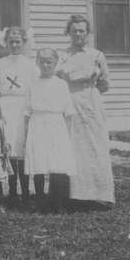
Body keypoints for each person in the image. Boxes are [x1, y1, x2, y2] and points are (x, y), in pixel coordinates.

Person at [56, 14, 115, 208]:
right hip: (69, 101)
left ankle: (99, 194)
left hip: (90, 102)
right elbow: (56, 80)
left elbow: (105, 83)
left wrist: (90, 92)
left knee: (94, 146)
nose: (78, 34)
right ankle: (74, 194)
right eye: (74, 31)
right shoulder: (62, 56)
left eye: (82, 30)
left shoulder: (97, 55)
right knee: (73, 147)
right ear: (68, 33)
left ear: (88, 33)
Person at [0, 26, 37, 205]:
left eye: (18, 42)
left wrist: (30, 111)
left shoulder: (30, 64)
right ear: (5, 43)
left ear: (24, 43)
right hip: (5, 107)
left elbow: (35, 88)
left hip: (23, 107)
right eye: (11, 42)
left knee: (21, 149)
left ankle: (25, 191)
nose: (15, 45)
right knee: (8, 149)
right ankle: (12, 190)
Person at [25, 48, 76, 214]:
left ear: (56, 63)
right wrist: (27, 130)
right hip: (37, 123)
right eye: (42, 62)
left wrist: (67, 134)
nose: (46, 65)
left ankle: (58, 201)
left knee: (57, 163)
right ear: (37, 63)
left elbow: (68, 111)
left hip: (56, 124)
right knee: (39, 162)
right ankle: (40, 200)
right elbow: (27, 109)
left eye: (50, 62)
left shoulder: (61, 84)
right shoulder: (32, 83)